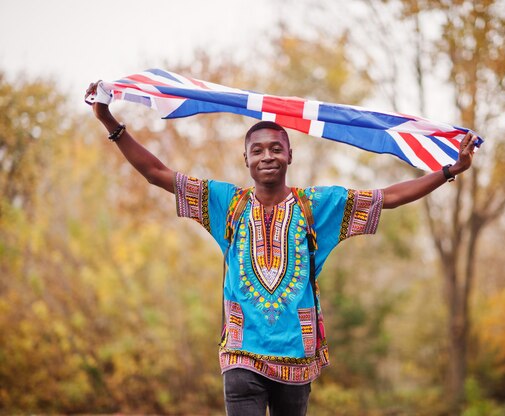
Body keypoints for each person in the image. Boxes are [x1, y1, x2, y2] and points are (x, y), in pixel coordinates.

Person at [85, 81, 477, 416]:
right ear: (246, 160)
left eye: (276, 148)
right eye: (258, 150)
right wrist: (109, 121)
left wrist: (447, 172)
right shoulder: (226, 203)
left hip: (297, 354)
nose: (267, 156)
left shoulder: (318, 205)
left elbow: (387, 197)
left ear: (290, 155)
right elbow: (157, 174)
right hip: (241, 352)